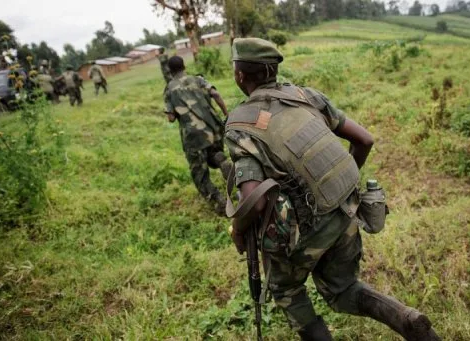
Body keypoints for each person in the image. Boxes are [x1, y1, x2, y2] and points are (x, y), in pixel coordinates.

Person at [225, 37, 441, 341]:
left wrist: (237, 231)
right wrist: (336, 191)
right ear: (273, 70)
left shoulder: (240, 126)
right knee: (345, 289)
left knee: (286, 289)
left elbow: (254, 203)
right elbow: (364, 140)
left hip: (301, 233)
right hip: (346, 214)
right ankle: (405, 318)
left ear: (240, 75)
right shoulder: (306, 96)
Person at [164, 56, 232, 215]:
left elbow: (171, 118)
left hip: (193, 137)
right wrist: (226, 114)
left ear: (169, 70)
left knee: (200, 175)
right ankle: (221, 161)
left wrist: (177, 111)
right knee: (213, 155)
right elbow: (215, 94)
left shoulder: (169, 88)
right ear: (184, 65)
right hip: (213, 128)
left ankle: (220, 202)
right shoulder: (198, 79)